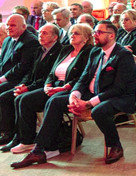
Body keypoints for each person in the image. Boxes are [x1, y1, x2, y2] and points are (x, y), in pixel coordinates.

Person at [12, 21, 136, 167]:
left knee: (99, 110)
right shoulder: (95, 52)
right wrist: (74, 95)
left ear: (111, 36)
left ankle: (115, 145)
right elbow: (83, 78)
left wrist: (89, 103)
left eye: (99, 32)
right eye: (94, 32)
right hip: (92, 93)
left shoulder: (123, 55)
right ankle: (39, 150)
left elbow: (119, 88)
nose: (94, 35)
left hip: (118, 97)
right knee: (55, 101)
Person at [4, 24, 92, 153]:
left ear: (86, 38)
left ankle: (40, 144)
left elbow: (83, 76)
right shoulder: (66, 49)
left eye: (76, 33)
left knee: (37, 101)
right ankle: (25, 139)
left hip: (71, 88)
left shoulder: (89, 52)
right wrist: (47, 85)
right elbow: (51, 72)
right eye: (71, 33)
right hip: (54, 85)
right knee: (22, 99)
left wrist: (63, 88)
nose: (72, 35)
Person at [0, 24, 62, 151]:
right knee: (10, 96)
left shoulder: (59, 51)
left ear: (55, 37)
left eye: (45, 33)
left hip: (48, 87)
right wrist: (23, 85)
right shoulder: (40, 50)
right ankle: (16, 136)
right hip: (33, 85)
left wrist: (28, 88)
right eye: (40, 33)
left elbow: (48, 76)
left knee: (22, 99)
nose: (40, 35)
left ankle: (27, 139)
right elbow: (30, 72)